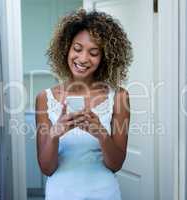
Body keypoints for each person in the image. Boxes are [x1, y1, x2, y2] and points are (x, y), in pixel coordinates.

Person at [35, 8, 132, 200]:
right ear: (66, 49)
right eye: (77, 49)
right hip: (60, 194)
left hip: (104, 193)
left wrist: (101, 133)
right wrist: (55, 134)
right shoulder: (44, 98)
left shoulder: (119, 97)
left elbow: (116, 164)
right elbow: (47, 168)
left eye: (94, 52)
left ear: (105, 57)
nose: (83, 59)